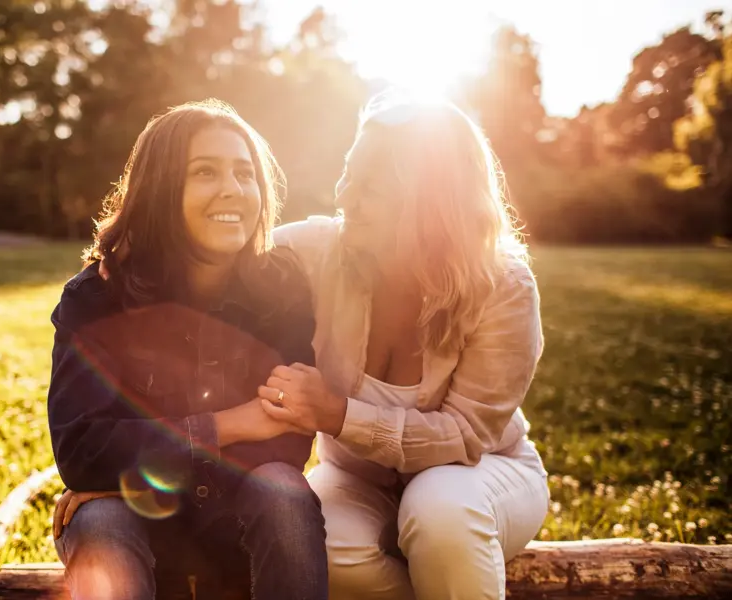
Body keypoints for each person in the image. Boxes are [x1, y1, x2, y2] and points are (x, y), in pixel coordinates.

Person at [259, 92, 550, 600]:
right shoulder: (321, 250)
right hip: (357, 481)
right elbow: (228, 254)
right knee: (314, 539)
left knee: (441, 511)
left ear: (433, 203)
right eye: (349, 171)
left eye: (372, 186)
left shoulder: (504, 287)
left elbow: (464, 437)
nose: (346, 195)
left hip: (480, 474)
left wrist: (337, 414)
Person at [47, 99, 327, 600]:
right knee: (102, 517)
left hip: (237, 522)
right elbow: (81, 449)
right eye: (205, 171)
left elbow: (284, 442)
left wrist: (130, 471)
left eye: (245, 174)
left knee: (282, 492)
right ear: (160, 187)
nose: (233, 190)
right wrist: (228, 425)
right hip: (134, 523)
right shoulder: (96, 298)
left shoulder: (280, 289)